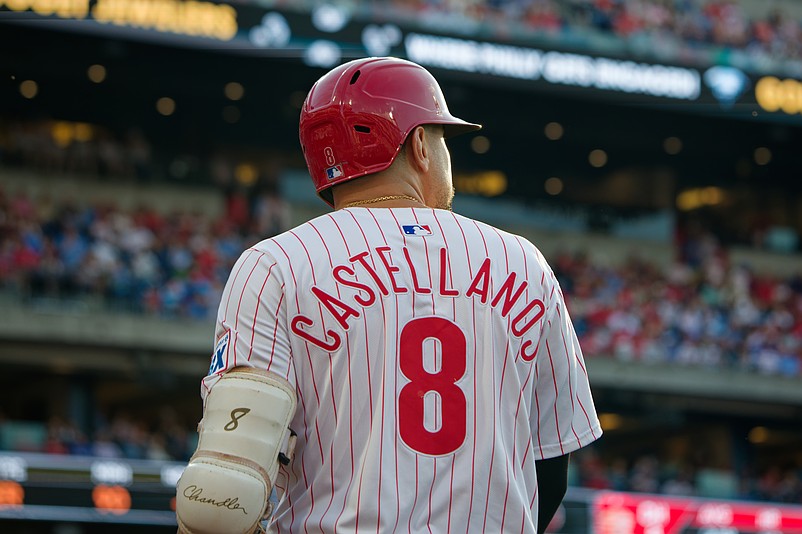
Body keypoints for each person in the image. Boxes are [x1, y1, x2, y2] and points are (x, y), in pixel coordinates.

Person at [176, 57, 602, 534]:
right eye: (442, 140)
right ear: (419, 144)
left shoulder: (276, 263)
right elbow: (552, 473)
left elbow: (226, 485)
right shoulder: (523, 262)